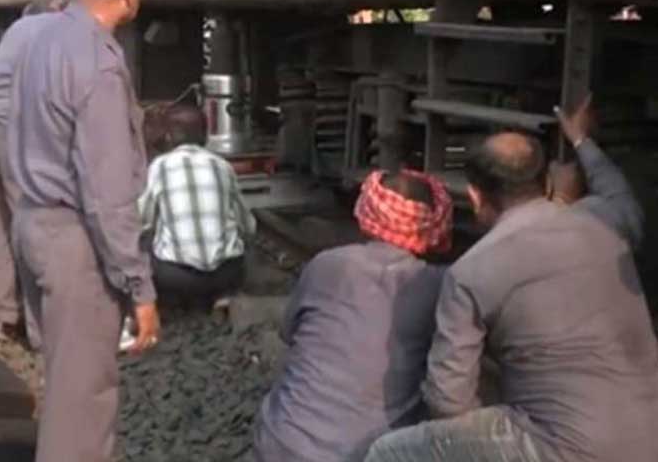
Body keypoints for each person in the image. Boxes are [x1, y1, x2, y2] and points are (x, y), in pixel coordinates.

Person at [365, 132, 658, 462]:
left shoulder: (470, 272)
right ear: (547, 182)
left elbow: (447, 400)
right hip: (648, 434)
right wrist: (581, 139)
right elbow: (618, 192)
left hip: (566, 447)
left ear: (475, 197)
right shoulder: (606, 220)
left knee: (387, 452)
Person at [7, 0, 159, 462]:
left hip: (31, 225)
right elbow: (107, 193)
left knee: (64, 387)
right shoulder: (97, 62)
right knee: (83, 408)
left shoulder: (38, 36)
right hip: (75, 245)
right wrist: (139, 288)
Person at [253, 170, 453, 462]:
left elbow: (288, 333)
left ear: (366, 212)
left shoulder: (326, 264)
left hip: (279, 445)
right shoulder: (437, 284)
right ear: (432, 224)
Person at [0, 11, 55, 347]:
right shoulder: (56, 29)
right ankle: (40, 331)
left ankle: (4, 319)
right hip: (10, 128)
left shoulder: (19, 28)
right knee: (30, 226)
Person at [137, 104, 255, 309]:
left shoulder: (160, 166)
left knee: (143, 241)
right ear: (206, 135)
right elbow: (248, 226)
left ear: (169, 137)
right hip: (226, 275)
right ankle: (223, 297)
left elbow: (142, 221)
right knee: (241, 241)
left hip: (175, 278)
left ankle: (170, 302)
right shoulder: (222, 165)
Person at [550, 94, 644, 249]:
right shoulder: (600, 220)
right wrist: (579, 139)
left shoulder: (525, 239)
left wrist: (559, 197)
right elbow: (625, 209)